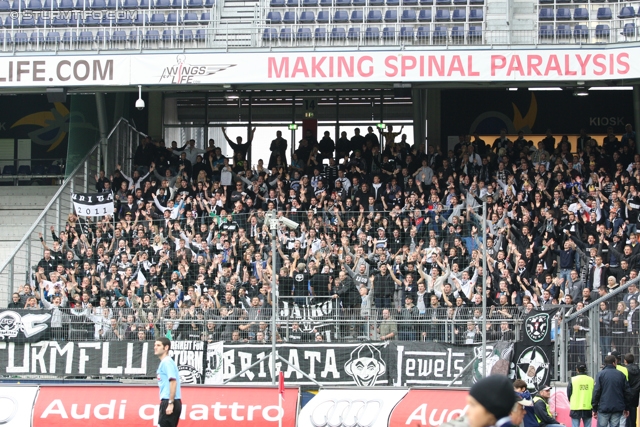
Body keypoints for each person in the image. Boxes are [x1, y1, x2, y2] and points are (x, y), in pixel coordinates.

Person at [592, 355, 632, 427]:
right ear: (614, 363)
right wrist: (627, 408)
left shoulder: (600, 374)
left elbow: (596, 392)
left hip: (603, 407)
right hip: (617, 407)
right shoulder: (621, 375)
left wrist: (594, 408)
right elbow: (627, 392)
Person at [155, 337, 182, 427]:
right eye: (155, 345)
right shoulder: (165, 362)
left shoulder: (167, 362)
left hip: (169, 400)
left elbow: (173, 381)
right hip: (168, 400)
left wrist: (170, 403)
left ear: (166, 348)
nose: (155, 347)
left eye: (158, 345)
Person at [623, 353, 640, 427]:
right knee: (633, 415)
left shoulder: (625, 370)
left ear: (625, 361)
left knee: (626, 415)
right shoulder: (638, 369)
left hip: (627, 394)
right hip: (635, 394)